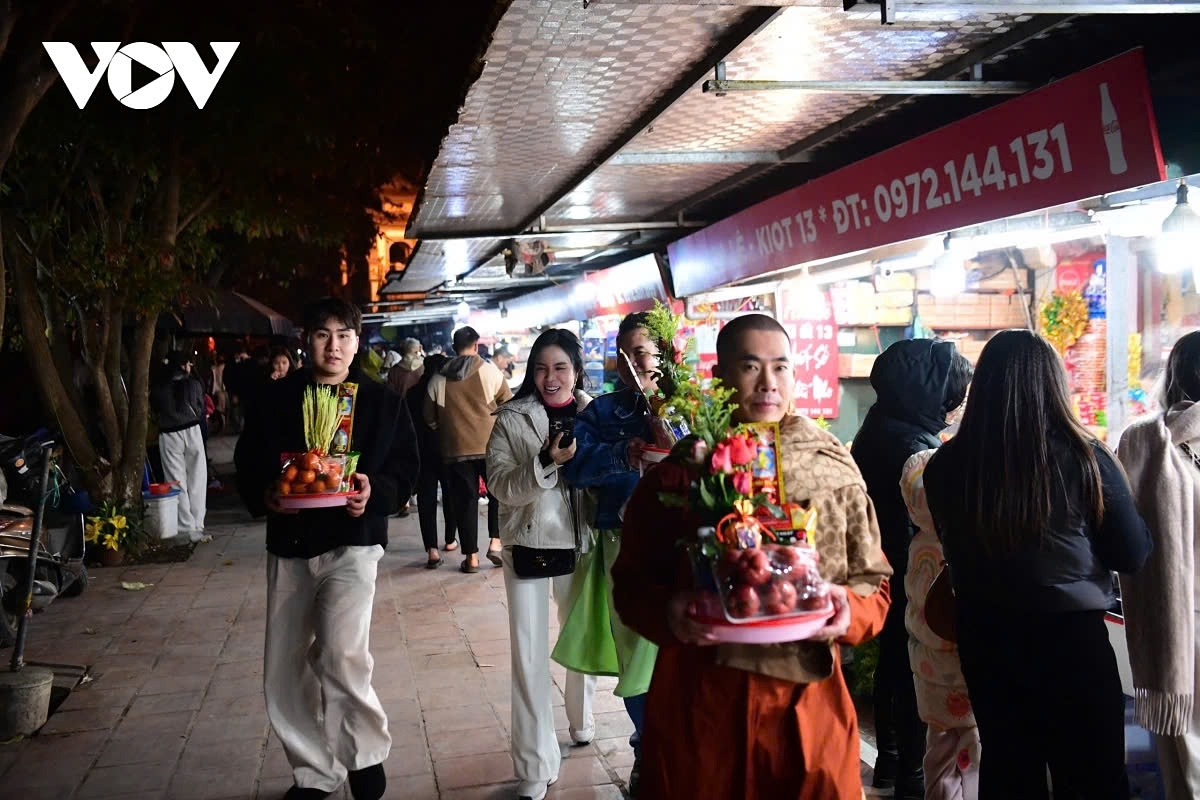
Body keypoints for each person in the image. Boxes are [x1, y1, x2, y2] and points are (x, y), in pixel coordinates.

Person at [612, 313, 893, 799]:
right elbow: (631, 585)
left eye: (781, 367)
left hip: (808, 705)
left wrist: (848, 611)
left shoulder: (830, 465)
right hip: (702, 702)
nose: (768, 382)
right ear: (720, 377)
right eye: (750, 367)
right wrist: (670, 612)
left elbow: (875, 583)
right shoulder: (682, 474)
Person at [922, 329, 1152, 800]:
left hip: (986, 640)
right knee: (1092, 778)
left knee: (1010, 771)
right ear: (1052, 383)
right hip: (1072, 644)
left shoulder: (945, 466)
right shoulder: (1087, 459)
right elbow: (1132, 552)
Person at [234, 297, 419, 800]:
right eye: (322, 334)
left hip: (353, 545)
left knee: (341, 653)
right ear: (306, 340)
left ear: (358, 341)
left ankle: (362, 755)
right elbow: (248, 463)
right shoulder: (276, 400)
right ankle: (315, 771)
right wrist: (268, 493)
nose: (332, 345)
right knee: (283, 667)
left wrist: (372, 492)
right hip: (290, 546)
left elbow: (405, 468)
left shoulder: (382, 402)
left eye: (343, 334)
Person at [850, 339, 972, 798]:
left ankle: (890, 762)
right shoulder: (914, 443)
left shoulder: (880, 424)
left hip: (885, 565)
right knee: (911, 667)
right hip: (910, 571)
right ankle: (912, 776)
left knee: (892, 664)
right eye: (951, 396)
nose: (954, 407)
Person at [485, 328, 596, 800]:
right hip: (527, 543)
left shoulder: (597, 414)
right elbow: (499, 485)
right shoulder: (512, 418)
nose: (550, 378)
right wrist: (545, 460)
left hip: (582, 543)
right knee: (528, 653)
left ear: (575, 371)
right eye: (541, 368)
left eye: (560, 368)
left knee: (580, 637)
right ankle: (534, 763)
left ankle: (582, 719)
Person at [561, 311, 662, 794]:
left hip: (688, 551)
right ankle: (648, 750)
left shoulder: (696, 406)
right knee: (637, 659)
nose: (635, 362)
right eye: (626, 354)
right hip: (623, 547)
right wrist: (625, 454)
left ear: (667, 354)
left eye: (644, 351)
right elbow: (574, 467)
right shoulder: (602, 413)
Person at [1118, 330, 1200, 798]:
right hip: (1180, 618)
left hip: (1173, 621)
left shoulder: (1143, 439)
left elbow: (1117, 525)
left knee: (1182, 751)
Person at [900, 448, 980, 800]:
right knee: (972, 752)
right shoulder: (962, 550)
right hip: (961, 673)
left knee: (938, 751)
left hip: (927, 673)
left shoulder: (919, 545)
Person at [424, 326, 512, 572]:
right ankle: (495, 543)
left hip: (455, 451)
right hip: (490, 446)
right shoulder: (489, 372)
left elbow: (429, 418)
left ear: (453, 347)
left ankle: (471, 557)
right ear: (476, 345)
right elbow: (507, 403)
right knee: (497, 495)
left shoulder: (438, 379)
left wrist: (448, 429)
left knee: (465, 501)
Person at [151, 350, 208, 541]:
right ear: (183, 365)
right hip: (192, 431)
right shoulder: (194, 384)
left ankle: (186, 526)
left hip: (168, 434)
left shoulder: (159, 387)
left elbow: (155, 409)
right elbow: (200, 408)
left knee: (176, 481)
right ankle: (198, 524)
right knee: (197, 479)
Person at [409, 352, 458, 567]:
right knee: (450, 495)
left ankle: (431, 550)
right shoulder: (447, 390)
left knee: (426, 500)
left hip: (421, 453)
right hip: (447, 451)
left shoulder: (411, 393)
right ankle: (449, 539)